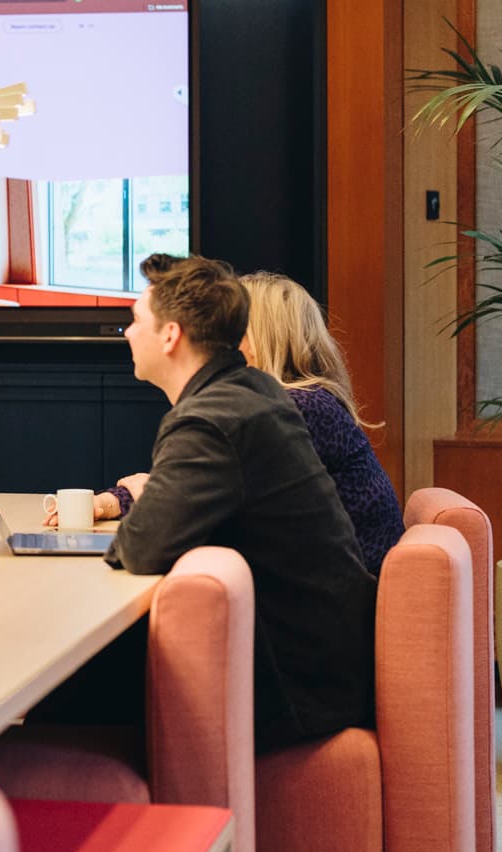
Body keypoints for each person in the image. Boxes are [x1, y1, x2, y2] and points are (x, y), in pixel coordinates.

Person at [105, 254, 377, 751]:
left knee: (67, 692)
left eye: (135, 320)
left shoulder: (211, 418)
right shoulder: (253, 391)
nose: (126, 333)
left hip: (295, 686)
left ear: (170, 336)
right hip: (325, 662)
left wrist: (136, 509)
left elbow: (142, 548)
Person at [76, 267, 404, 574]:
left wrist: (147, 495)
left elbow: (194, 512)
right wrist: (116, 500)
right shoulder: (294, 402)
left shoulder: (293, 409)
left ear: (257, 339)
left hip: (323, 616)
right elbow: (199, 490)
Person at [239, 270, 403, 573]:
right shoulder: (310, 399)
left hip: (336, 603)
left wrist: (134, 496)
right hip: (339, 587)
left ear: (262, 335)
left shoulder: (298, 408)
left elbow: (214, 494)